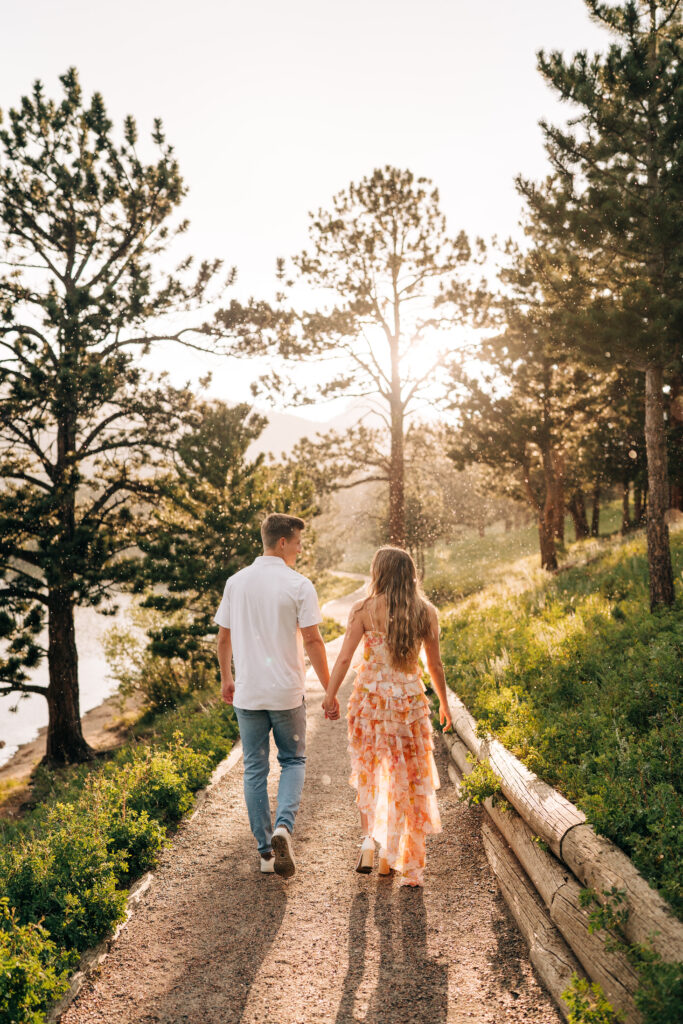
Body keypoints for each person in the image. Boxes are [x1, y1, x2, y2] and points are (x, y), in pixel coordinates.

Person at [323, 546, 452, 887]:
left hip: (369, 703)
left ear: (378, 573)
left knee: (370, 774)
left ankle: (370, 841)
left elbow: (344, 658)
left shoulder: (364, 609)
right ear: (410, 574)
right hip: (408, 706)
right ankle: (390, 857)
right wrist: (443, 702)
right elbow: (434, 665)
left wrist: (330, 694)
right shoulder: (425, 612)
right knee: (405, 781)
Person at [215, 513, 334, 878]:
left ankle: (266, 854)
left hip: (248, 695)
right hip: (286, 694)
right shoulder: (298, 585)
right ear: (282, 542)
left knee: (254, 768)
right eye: (297, 541)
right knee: (293, 761)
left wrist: (226, 679)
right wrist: (329, 689)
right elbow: (313, 640)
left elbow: (223, 639)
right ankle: (284, 827)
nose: (300, 548)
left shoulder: (236, 583)